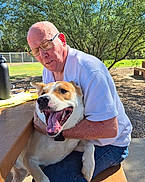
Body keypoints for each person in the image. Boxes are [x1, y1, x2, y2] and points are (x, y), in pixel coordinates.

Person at [27, 21, 132, 182]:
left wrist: (57, 133)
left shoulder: (89, 69)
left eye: (46, 45)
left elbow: (110, 129)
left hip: (109, 145)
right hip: (76, 143)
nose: (43, 55)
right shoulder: (48, 70)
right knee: (38, 172)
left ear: (61, 39)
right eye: (36, 51)